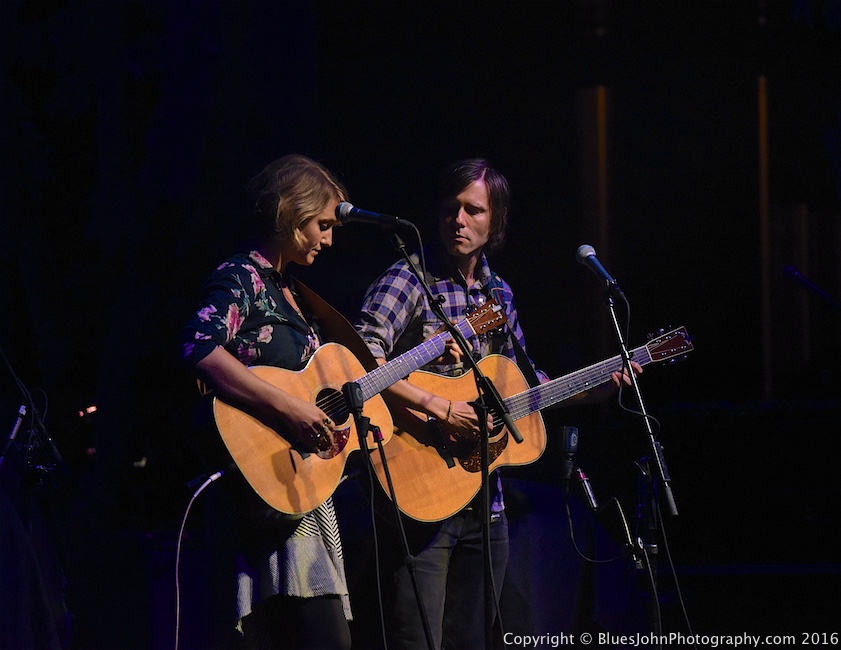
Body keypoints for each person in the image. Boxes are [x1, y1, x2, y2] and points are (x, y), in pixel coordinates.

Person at [354, 157, 638, 649]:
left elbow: (524, 385)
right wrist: (437, 407)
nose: (458, 221)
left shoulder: (499, 294)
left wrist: (598, 389)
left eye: (473, 210)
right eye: (450, 209)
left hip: (486, 502)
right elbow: (358, 363)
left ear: (495, 221)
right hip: (419, 492)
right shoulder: (408, 280)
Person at [180, 154, 353, 650]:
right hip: (258, 488)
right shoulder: (243, 277)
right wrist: (289, 408)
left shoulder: (292, 293)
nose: (329, 238)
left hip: (301, 492)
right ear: (290, 212)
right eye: (322, 224)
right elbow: (198, 346)